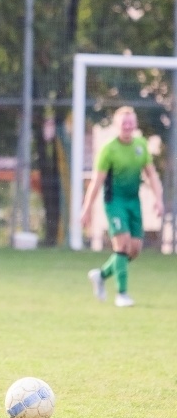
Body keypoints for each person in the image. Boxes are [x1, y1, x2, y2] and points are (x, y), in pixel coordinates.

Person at [80, 106, 164, 307]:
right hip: (114, 202)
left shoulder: (141, 146)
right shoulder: (109, 150)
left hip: (133, 202)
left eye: (130, 123)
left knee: (133, 250)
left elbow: (151, 174)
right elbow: (97, 181)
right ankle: (122, 294)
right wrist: (87, 208)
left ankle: (101, 275)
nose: (127, 126)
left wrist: (158, 199)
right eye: (123, 123)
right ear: (117, 126)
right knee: (122, 244)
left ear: (135, 125)